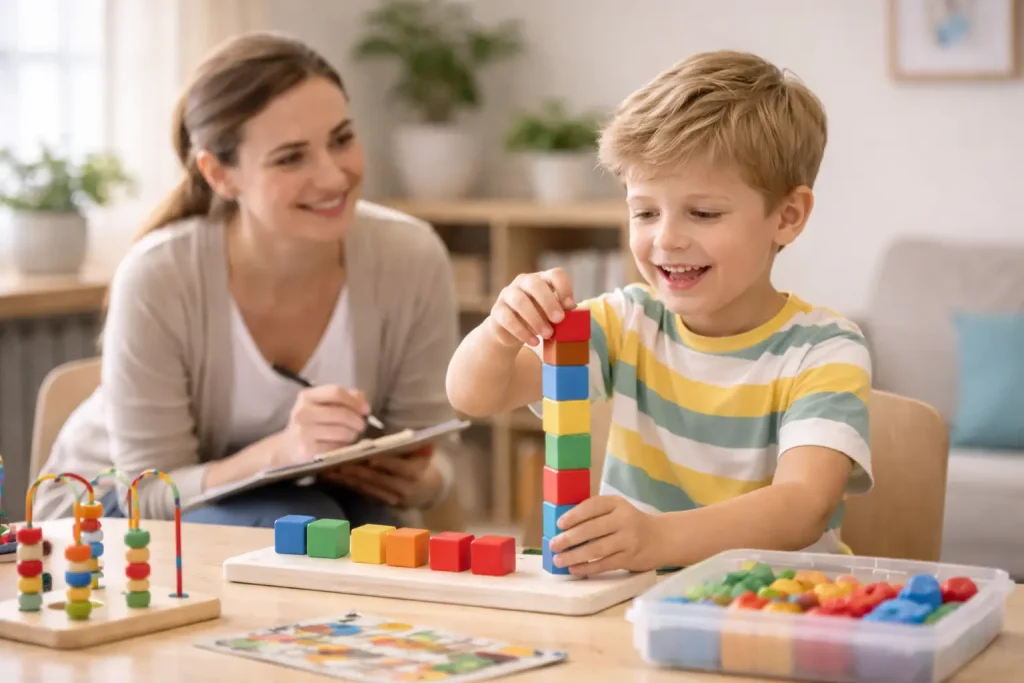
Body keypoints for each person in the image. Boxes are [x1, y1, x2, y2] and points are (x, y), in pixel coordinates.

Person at [446, 50, 873, 576]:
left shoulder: (825, 348)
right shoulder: (625, 321)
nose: (666, 239)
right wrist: (499, 331)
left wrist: (658, 538)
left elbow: (802, 506)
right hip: (638, 601)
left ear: (787, 216)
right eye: (645, 211)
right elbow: (474, 396)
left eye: (703, 213)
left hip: (779, 603)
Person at [32, 32, 460, 529]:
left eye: (341, 139)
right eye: (290, 157)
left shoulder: (411, 257)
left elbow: (433, 448)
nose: (333, 177)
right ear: (219, 174)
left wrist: (417, 480)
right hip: (106, 512)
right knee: (311, 521)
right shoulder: (158, 277)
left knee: (371, 522)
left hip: (303, 499)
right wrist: (282, 452)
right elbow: (147, 491)